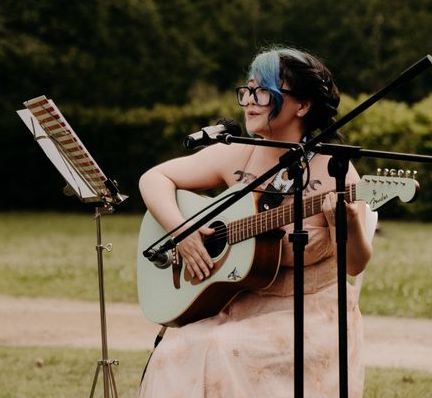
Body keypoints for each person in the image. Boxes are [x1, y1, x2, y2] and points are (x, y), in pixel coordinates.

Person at [137, 46, 373, 397]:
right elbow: (154, 179)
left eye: (264, 92)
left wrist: (349, 221)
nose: (250, 101)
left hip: (311, 315)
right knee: (173, 350)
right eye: (247, 90)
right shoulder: (239, 151)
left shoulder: (334, 169)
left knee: (222, 349)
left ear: (303, 105)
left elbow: (354, 265)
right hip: (240, 303)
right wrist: (182, 231)